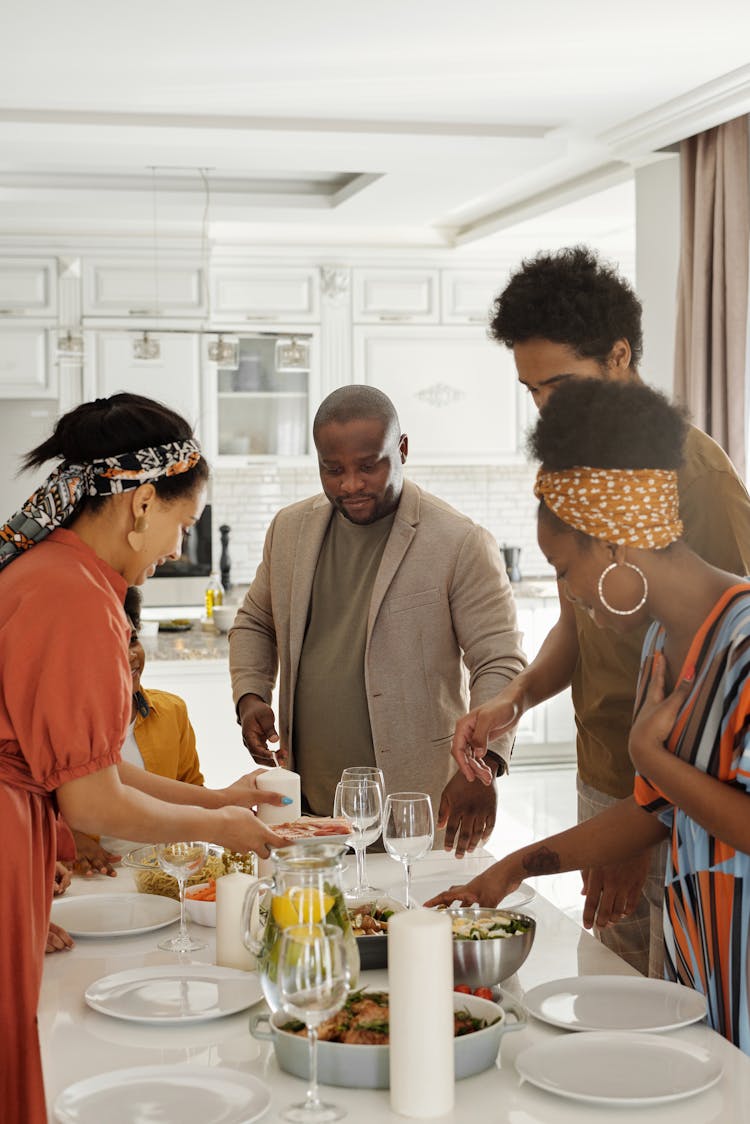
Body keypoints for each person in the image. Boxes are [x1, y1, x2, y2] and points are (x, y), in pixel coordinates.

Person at [451, 246, 750, 976]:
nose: (547, 406)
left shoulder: (694, 479)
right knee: (627, 999)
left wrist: (644, 805)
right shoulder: (586, 484)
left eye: (557, 383)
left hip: (668, 799)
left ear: (618, 356)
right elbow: (580, 627)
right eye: (531, 391)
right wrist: (515, 699)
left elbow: (719, 712)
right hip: (637, 793)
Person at [0, 392, 286, 1124]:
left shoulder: (56, 573)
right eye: (179, 526)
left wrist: (218, 802)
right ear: (140, 503)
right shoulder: (75, 596)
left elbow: (91, 764)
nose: (175, 550)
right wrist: (225, 834)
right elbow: (91, 803)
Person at [229, 384, 526, 856]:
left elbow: (501, 663)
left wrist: (483, 763)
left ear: (402, 449)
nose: (350, 484)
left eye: (369, 466)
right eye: (333, 469)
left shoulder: (458, 541)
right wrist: (250, 697)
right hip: (309, 808)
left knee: (409, 926)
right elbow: (254, 623)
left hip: (415, 806)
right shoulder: (289, 529)